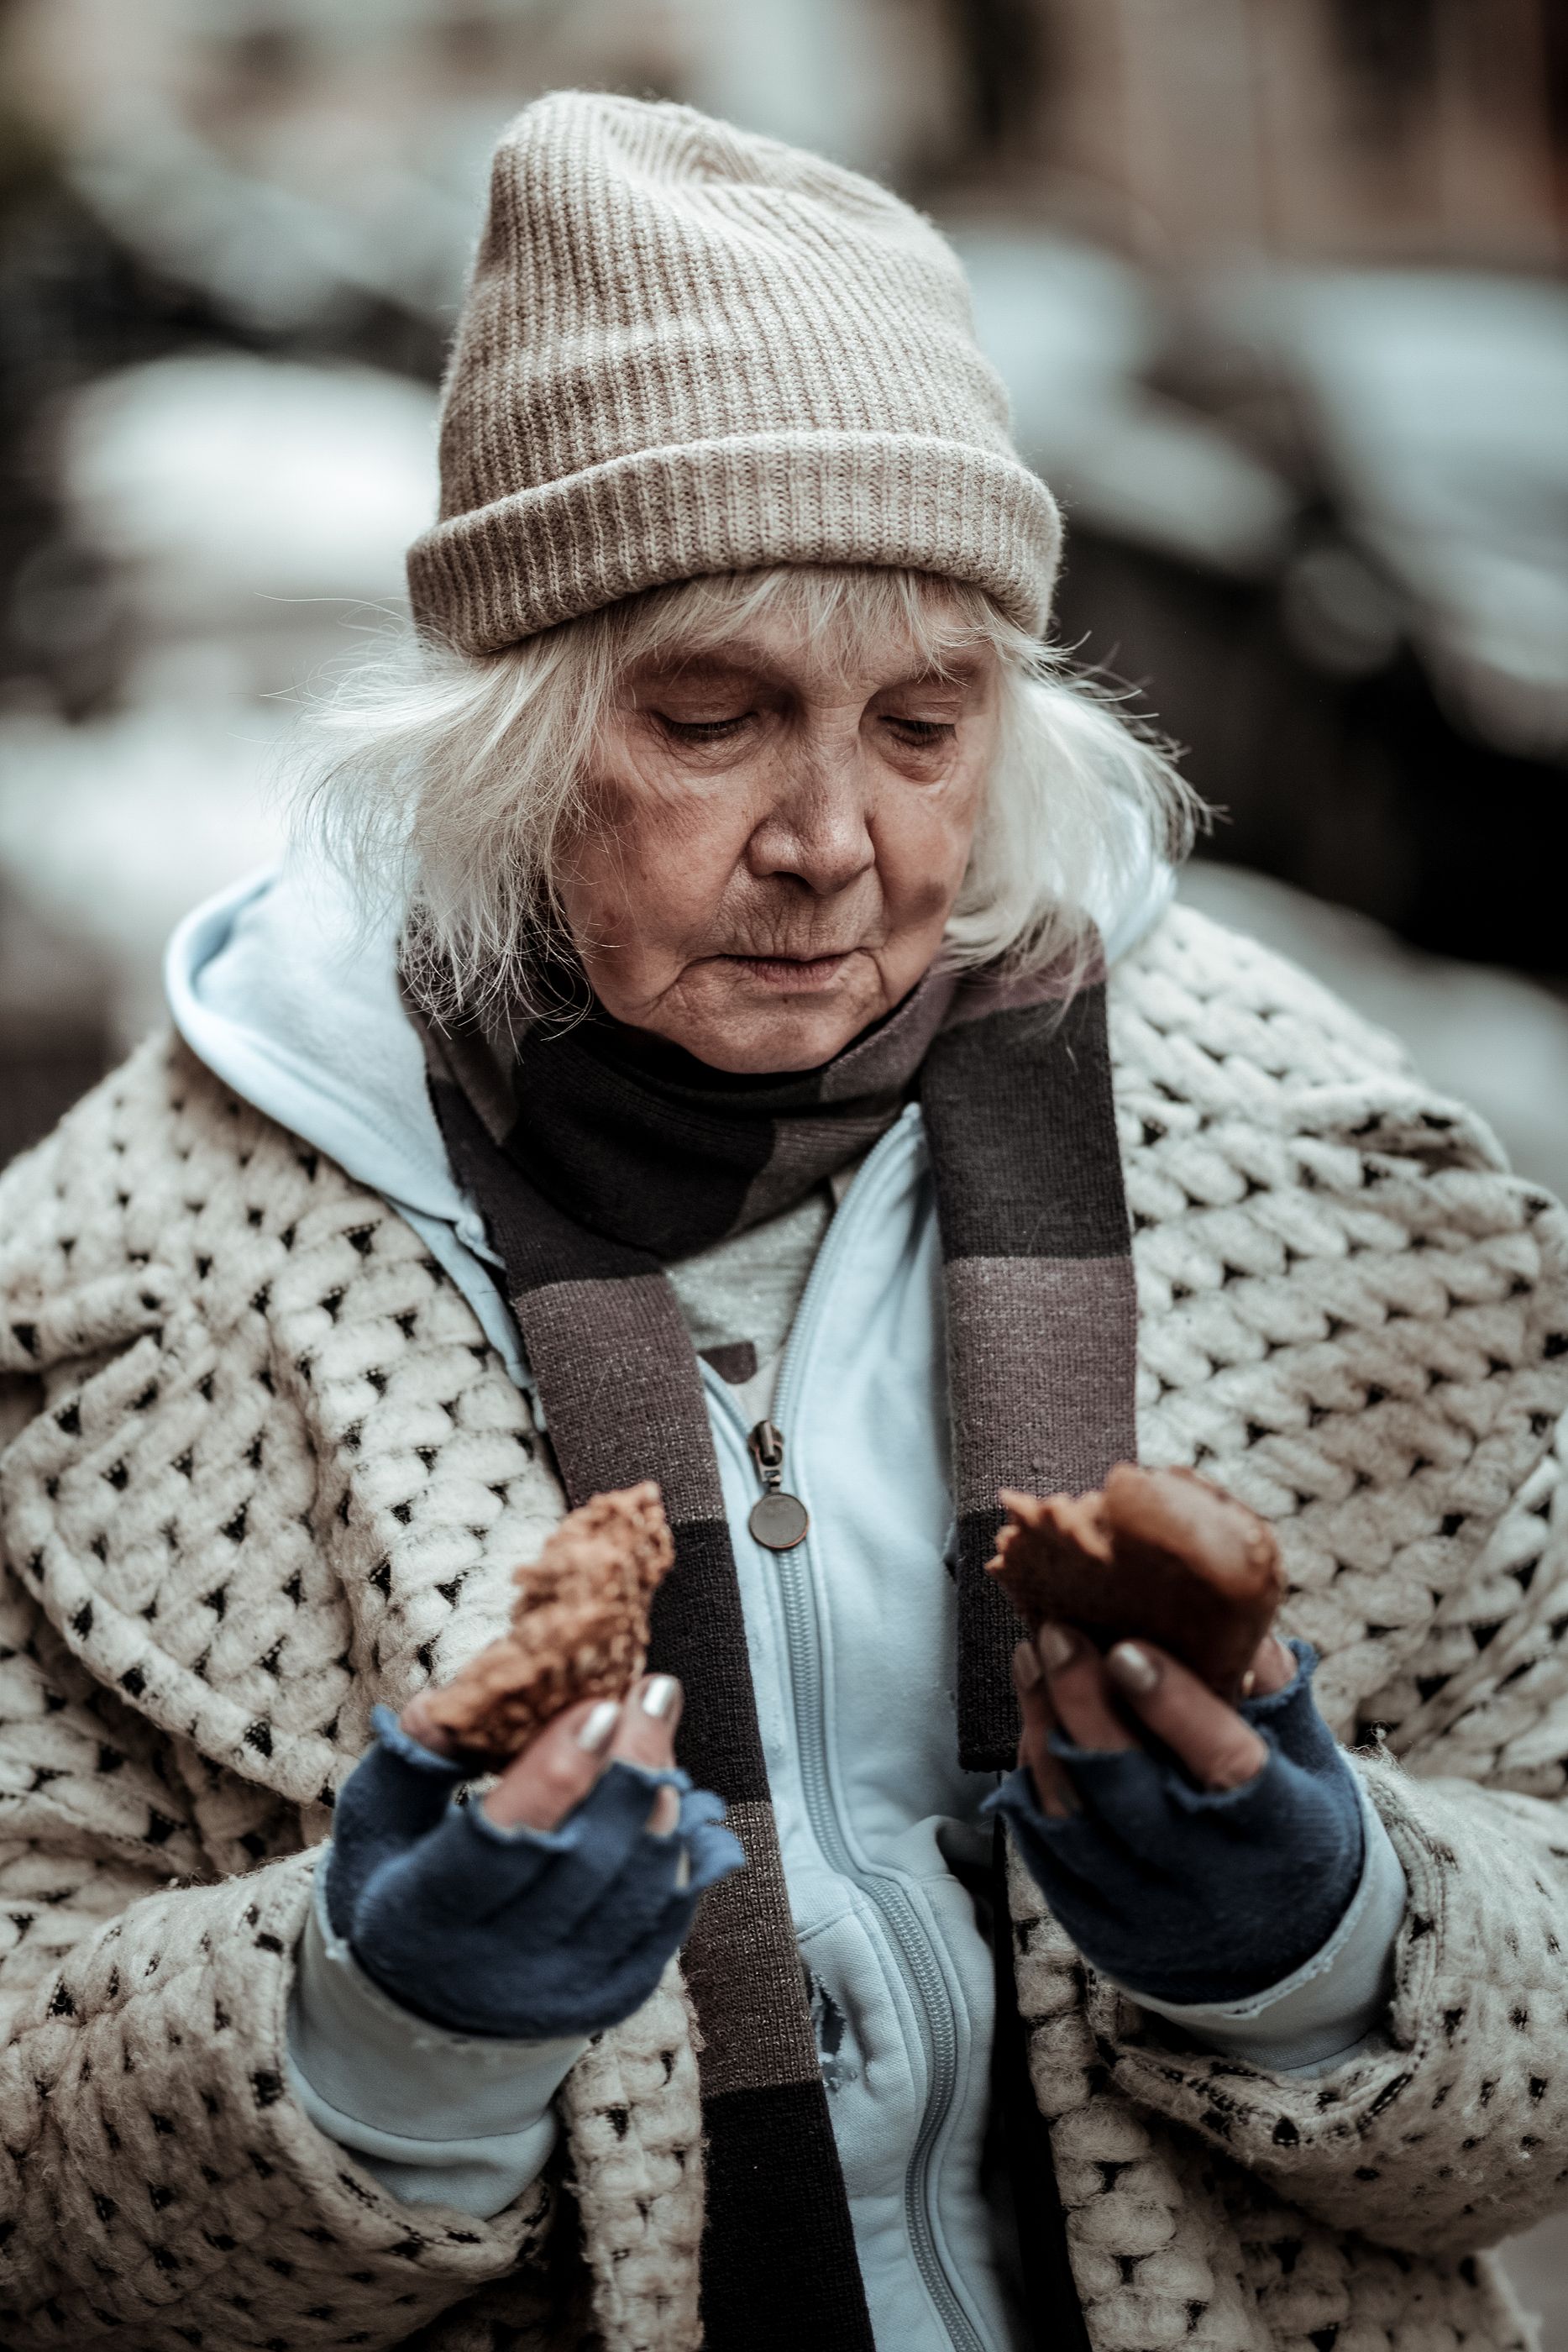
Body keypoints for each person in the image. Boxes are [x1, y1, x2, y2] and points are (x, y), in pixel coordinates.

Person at [2, 90, 1566, 2352]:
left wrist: (1328, 1939)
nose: (830, 840)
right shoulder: (120, 1289)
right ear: (512, 747)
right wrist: (377, 2029)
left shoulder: (1334, 1183)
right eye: (714, 720)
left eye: (922, 728)